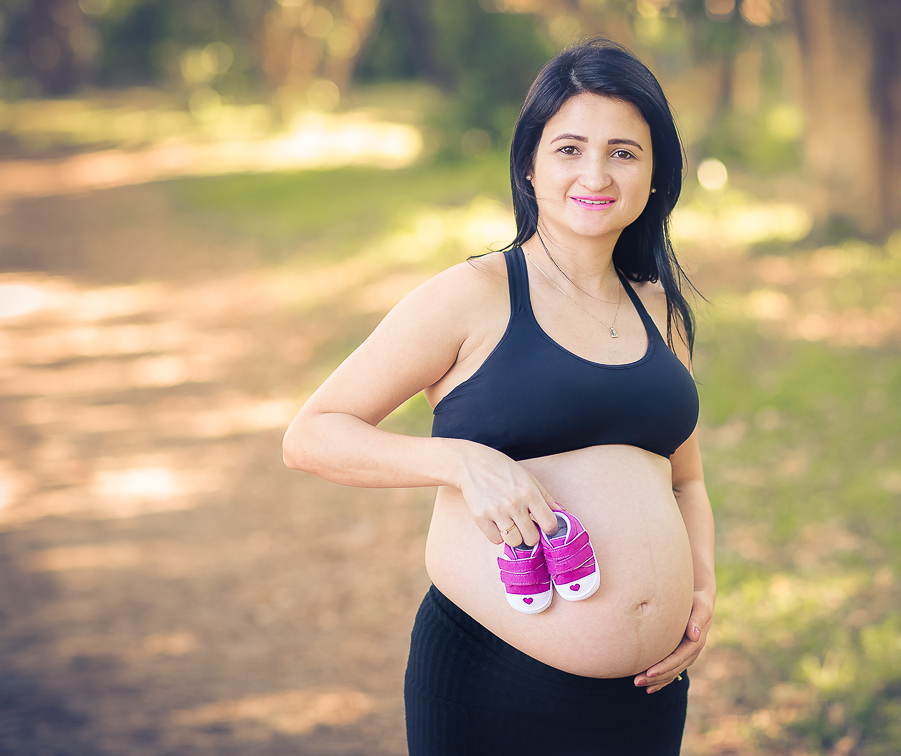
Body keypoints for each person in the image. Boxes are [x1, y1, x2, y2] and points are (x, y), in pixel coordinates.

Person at [282, 38, 714, 755]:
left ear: (655, 173)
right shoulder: (471, 296)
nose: (596, 174)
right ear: (529, 165)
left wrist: (699, 589)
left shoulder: (660, 310)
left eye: (624, 153)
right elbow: (312, 434)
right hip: (495, 684)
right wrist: (461, 463)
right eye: (570, 149)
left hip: (648, 697)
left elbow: (686, 477)